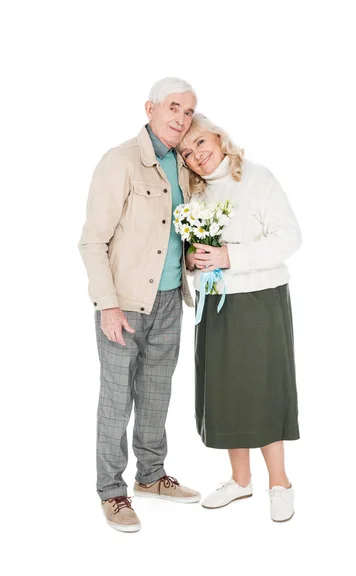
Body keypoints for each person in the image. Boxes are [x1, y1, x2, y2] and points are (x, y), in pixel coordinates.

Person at [78, 78, 201, 533]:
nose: (181, 119)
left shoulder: (183, 166)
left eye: (189, 112)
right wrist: (107, 306)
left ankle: (151, 476)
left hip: (170, 299)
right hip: (124, 305)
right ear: (150, 108)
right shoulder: (121, 161)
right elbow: (93, 241)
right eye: (174, 108)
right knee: (116, 398)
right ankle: (112, 491)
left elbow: (175, 234)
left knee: (156, 393)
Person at [178, 114, 302, 522]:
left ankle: (280, 483)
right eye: (186, 151)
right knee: (227, 390)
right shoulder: (195, 195)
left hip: (260, 301)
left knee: (264, 389)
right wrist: (195, 262)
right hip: (216, 305)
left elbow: (289, 237)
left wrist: (233, 257)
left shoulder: (257, 177)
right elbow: (198, 253)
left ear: (218, 135)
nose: (196, 154)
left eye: (199, 142)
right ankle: (241, 480)